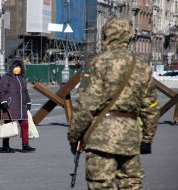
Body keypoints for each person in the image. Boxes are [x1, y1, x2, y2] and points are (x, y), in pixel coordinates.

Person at [67, 17, 160, 189]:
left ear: (106, 35)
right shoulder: (141, 66)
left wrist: (74, 136)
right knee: (132, 184)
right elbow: (151, 107)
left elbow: (86, 106)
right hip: (130, 138)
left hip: (100, 138)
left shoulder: (98, 63)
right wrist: (147, 139)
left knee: (101, 184)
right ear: (129, 36)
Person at [0, 57, 35, 153]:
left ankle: (25, 145)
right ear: (11, 67)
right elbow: (2, 91)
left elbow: (25, 92)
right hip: (10, 106)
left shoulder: (22, 79)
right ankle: (5, 146)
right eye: (16, 66)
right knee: (8, 125)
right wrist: (4, 102)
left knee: (24, 124)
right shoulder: (6, 78)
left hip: (22, 106)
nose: (18, 68)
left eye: (19, 67)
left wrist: (28, 101)